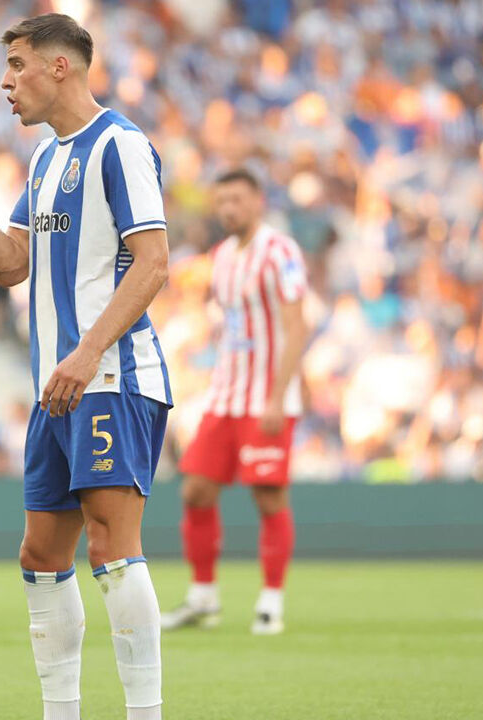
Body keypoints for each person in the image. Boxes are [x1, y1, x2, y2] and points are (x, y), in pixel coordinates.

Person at [0, 13, 171, 720]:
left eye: (16, 66)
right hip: (58, 388)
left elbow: (154, 262)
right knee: (40, 555)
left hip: (112, 376)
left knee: (109, 545)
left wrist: (89, 348)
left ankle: (144, 713)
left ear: (59, 66)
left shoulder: (120, 146)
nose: (4, 83)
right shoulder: (45, 160)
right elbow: (9, 265)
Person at [159, 168, 309, 636]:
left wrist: (277, 397)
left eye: (238, 200)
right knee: (195, 490)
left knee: (268, 497)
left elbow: (296, 326)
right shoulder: (221, 256)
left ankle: (271, 601)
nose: (229, 209)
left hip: (267, 397)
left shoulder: (279, 251)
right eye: (222, 200)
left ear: (258, 201)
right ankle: (203, 596)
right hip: (225, 395)